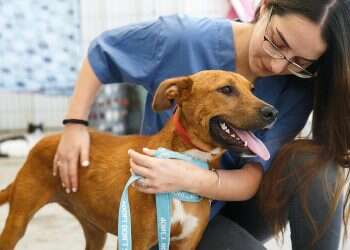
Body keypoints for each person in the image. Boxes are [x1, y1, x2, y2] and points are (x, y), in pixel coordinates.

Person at [53, 0, 350, 249]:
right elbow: (103, 50)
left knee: (320, 164)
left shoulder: (297, 87)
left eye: (300, 61)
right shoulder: (183, 40)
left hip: (236, 204)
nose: (277, 65)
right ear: (266, 5)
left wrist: (191, 178)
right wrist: (75, 124)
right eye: (278, 41)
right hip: (166, 207)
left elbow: (253, 173)